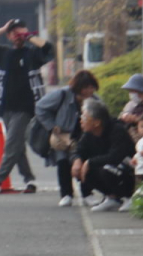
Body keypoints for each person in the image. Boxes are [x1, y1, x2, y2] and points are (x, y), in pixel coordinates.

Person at [0, 19, 54, 195]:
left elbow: (49, 50)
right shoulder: (3, 53)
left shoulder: (32, 54)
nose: (17, 36)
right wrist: (2, 29)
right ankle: (29, 180)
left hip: (26, 107)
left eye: (20, 33)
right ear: (8, 36)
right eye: (13, 33)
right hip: (5, 107)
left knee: (11, 145)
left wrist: (29, 36)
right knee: (17, 146)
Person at [34, 69, 99, 207]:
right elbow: (40, 107)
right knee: (63, 163)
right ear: (79, 87)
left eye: (92, 87)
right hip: (63, 135)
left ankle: (87, 193)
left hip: (84, 137)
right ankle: (66, 195)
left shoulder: (95, 101)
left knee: (84, 162)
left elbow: (103, 115)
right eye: (86, 87)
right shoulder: (62, 94)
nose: (89, 91)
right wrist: (51, 125)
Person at [72, 98, 136, 212]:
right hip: (108, 167)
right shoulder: (89, 133)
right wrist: (77, 161)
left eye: (85, 118)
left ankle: (128, 197)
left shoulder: (117, 130)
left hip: (128, 171)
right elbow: (79, 149)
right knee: (79, 167)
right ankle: (111, 197)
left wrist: (89, 162)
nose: (81, 120)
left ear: (97, 122)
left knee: (106, 169)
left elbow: (115, 157)